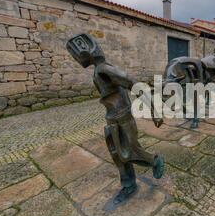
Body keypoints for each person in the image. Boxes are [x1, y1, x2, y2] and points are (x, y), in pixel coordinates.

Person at [66, 34, 164, 204]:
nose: (76, 58)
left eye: (77, 54)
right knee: (117, 155)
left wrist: (154, 110)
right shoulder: (98, 70)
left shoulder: (104, 69)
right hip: (112, 118)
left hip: (122, 118)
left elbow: (133, 83)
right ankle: (129, 185)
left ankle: (155, 161)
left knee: (130, 152)